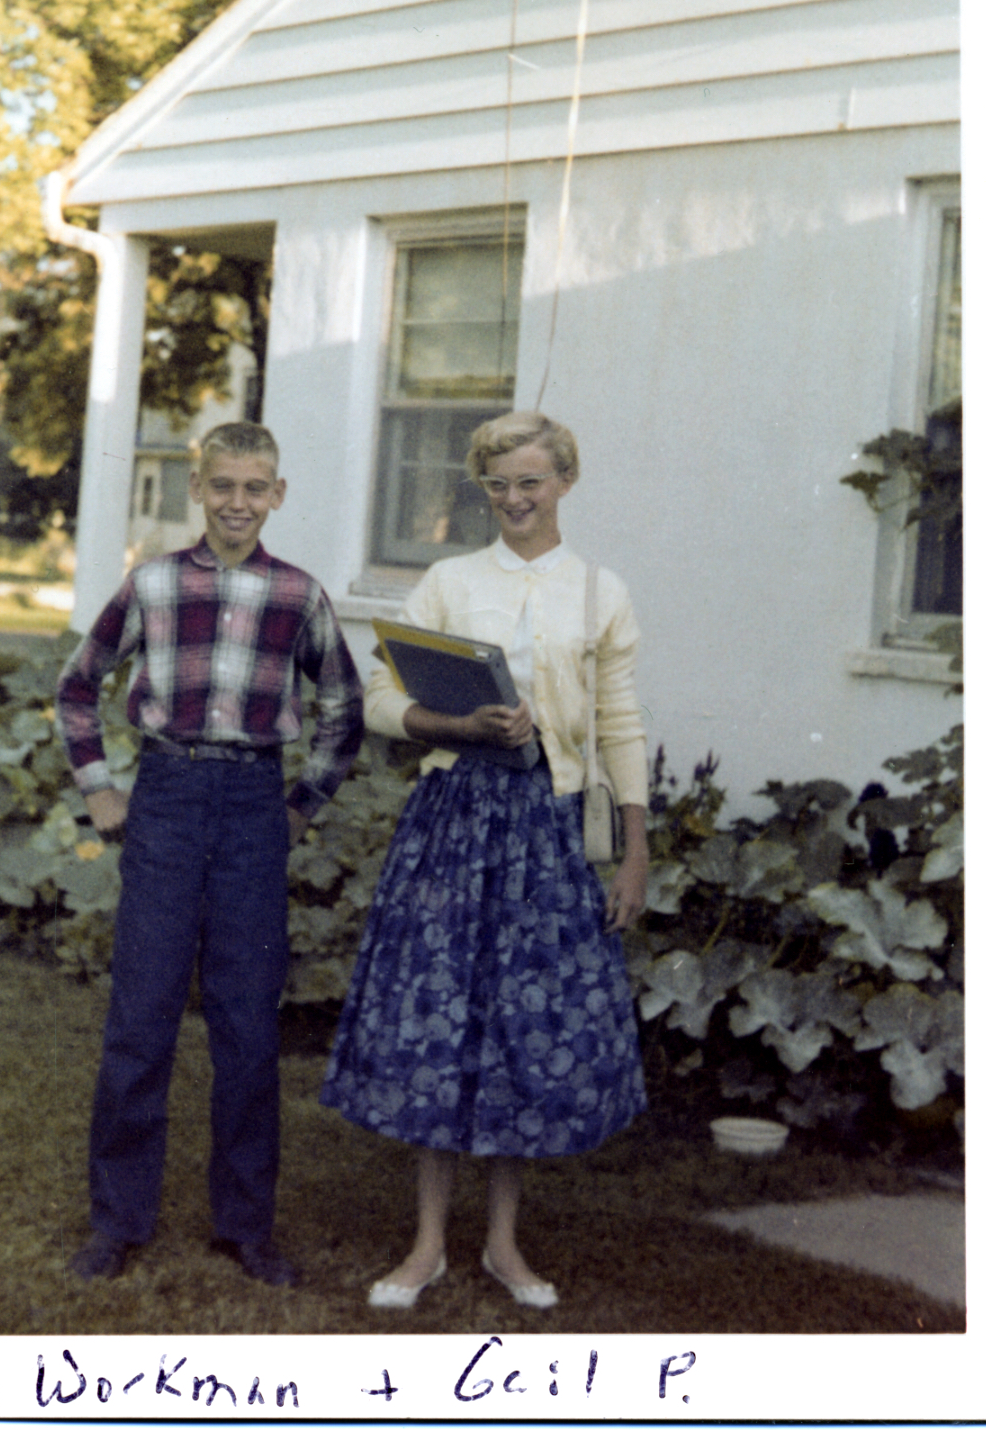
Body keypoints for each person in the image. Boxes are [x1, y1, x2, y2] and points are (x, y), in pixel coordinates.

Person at [320, 410, 649, 1310]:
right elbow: (383, 696)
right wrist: (454, 725)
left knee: (521, 1030)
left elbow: (619, 723)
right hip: (454, 821)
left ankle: (503, 1244)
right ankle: (425, 1243)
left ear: (564, 484)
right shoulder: (449, 582)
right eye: (498, 484)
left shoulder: (597, 591)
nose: (513, 499)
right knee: (438, 1019)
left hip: (547, 828)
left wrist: (633, 852)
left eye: (530, 481)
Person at [57, 422, 364, 1288]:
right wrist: (100, 788)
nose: (237, 501)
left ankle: (246, 1224)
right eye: (221, 484)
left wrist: (299, 805)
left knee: (246, 1024)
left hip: (252, 806)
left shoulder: (298, 595)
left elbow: (343, 709)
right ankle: (117, 1221)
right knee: (141, 1017)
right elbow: (78, 685)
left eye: (254, 486)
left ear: (278, 492)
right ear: (198, 487)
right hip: (167, 797)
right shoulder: (153, 583)